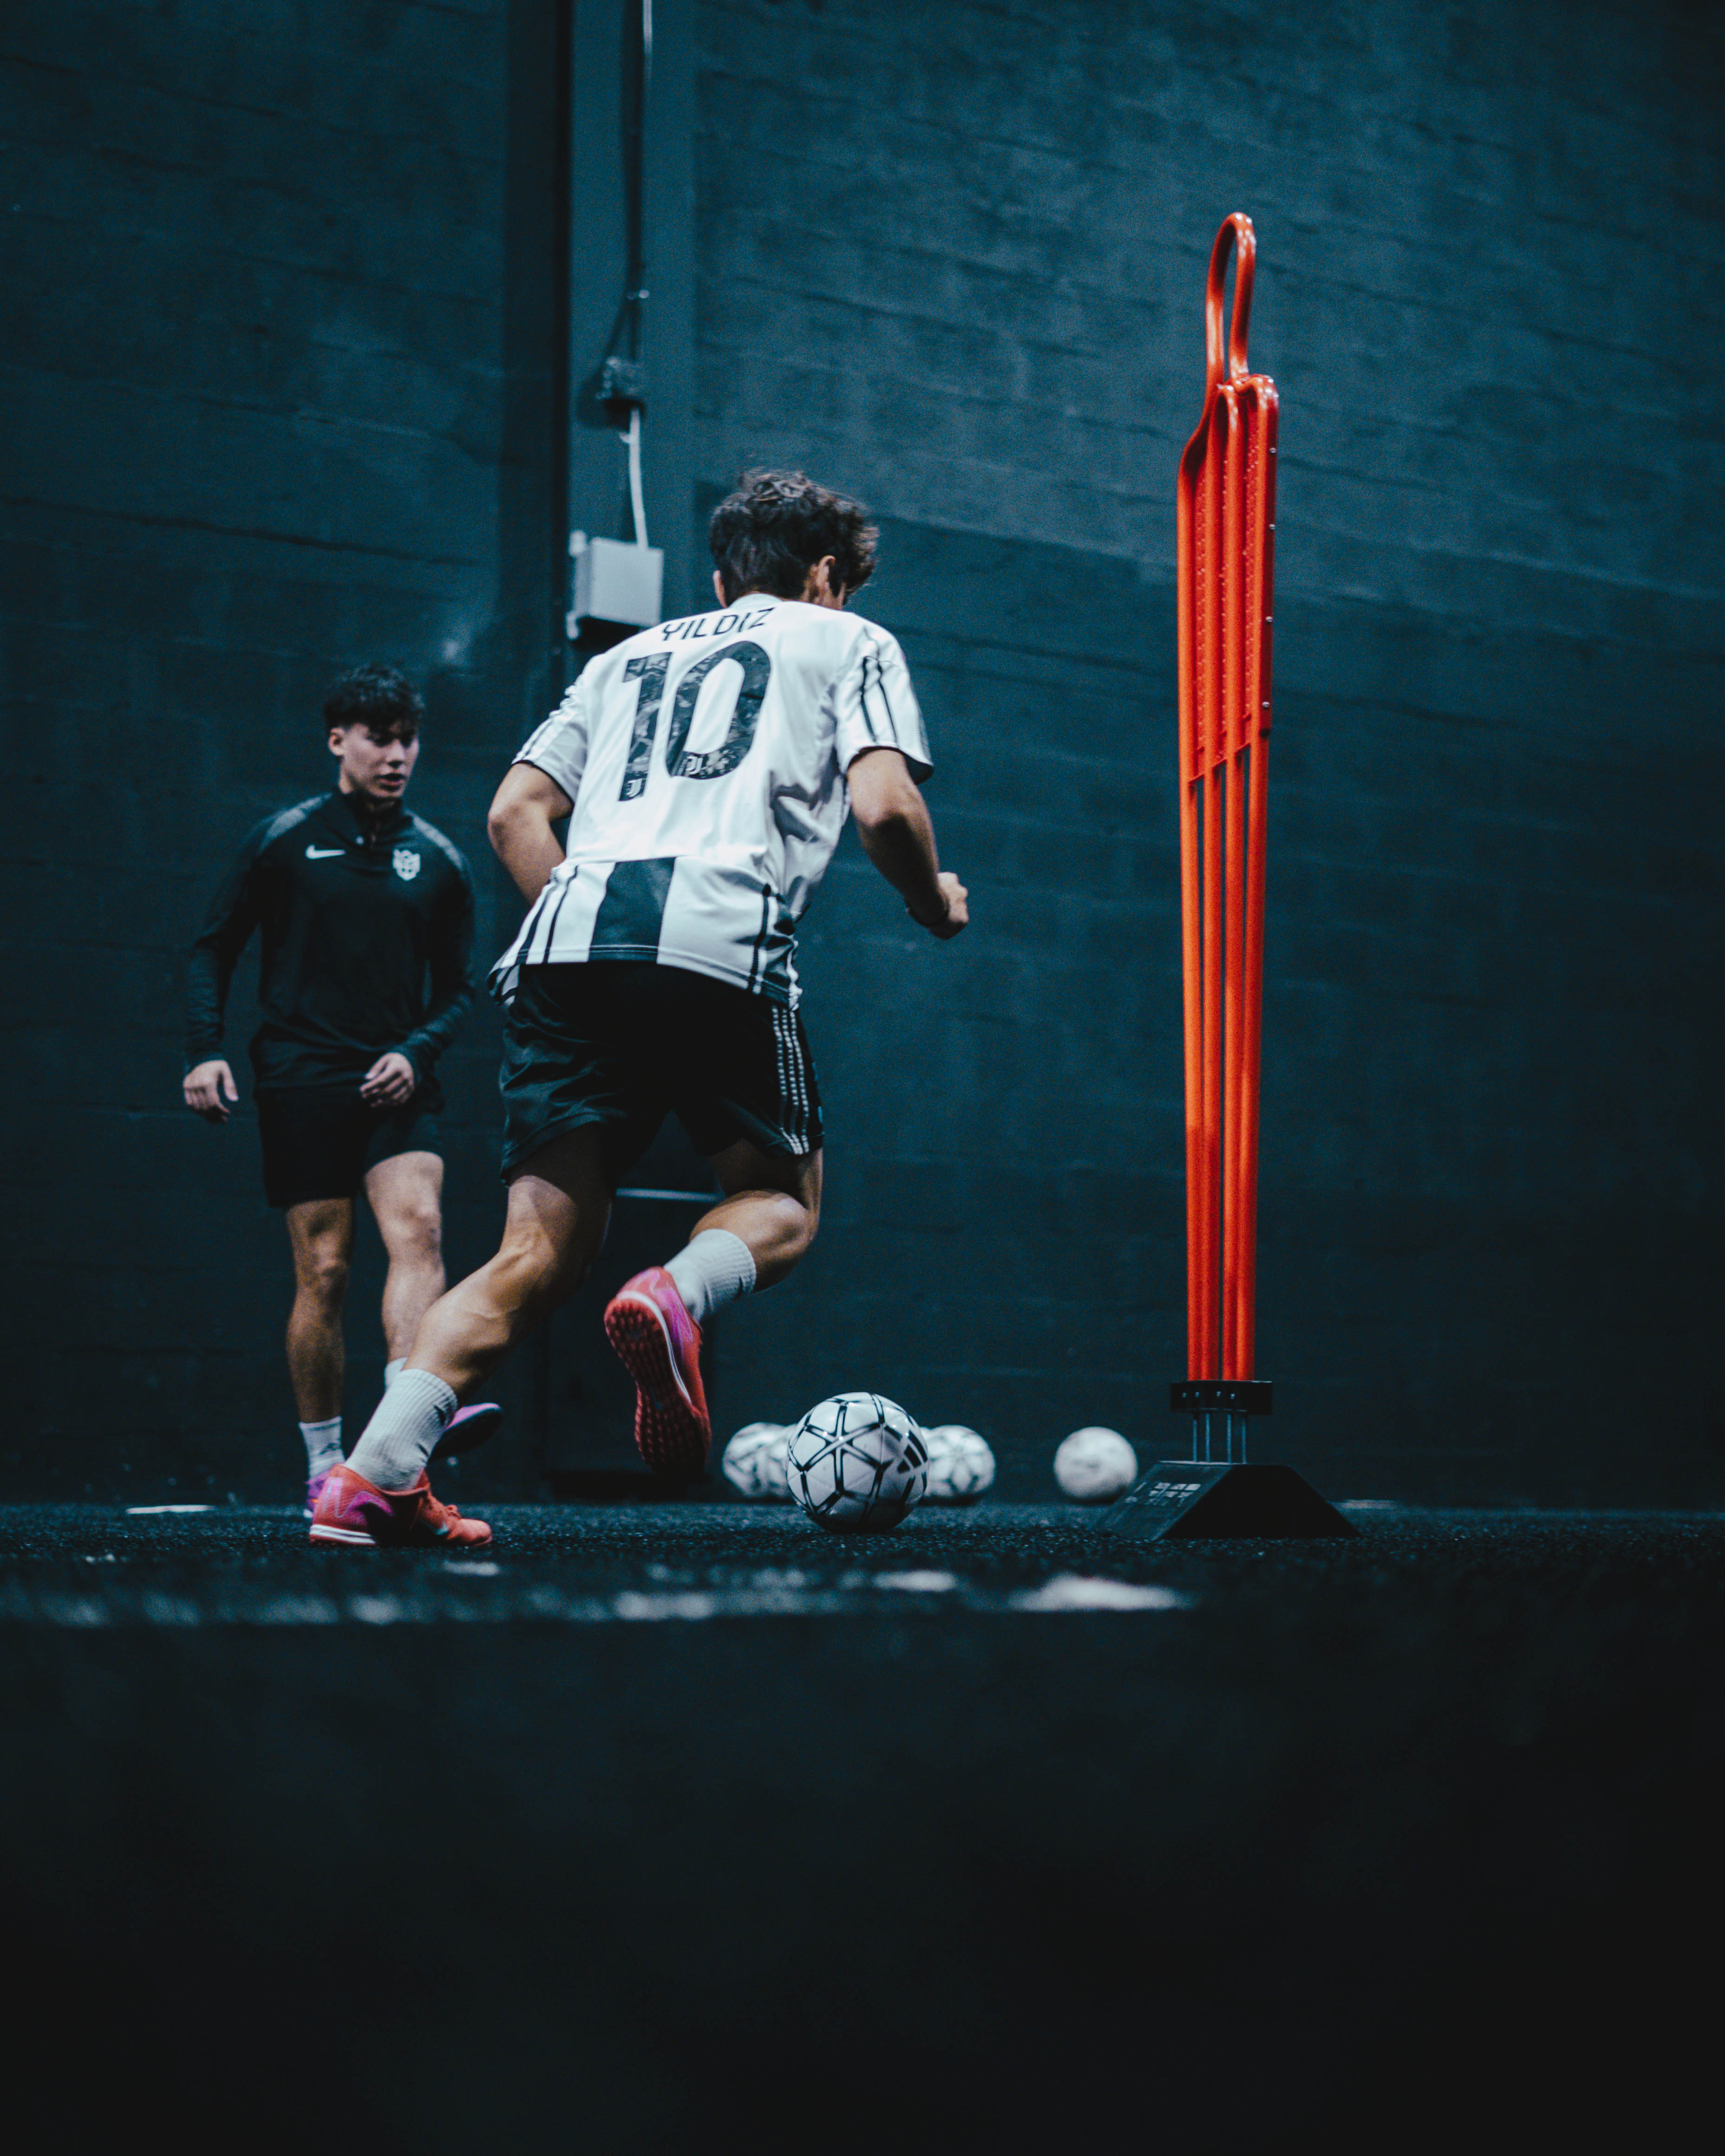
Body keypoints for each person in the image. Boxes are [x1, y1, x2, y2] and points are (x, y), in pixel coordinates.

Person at [311, 470, 968, 1550]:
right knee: (781, 1202)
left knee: (533, 1253)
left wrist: (596, 930)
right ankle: (675, 1295)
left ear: (718, 579)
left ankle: (369, 1477)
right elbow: (888, 805)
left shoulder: (623, 660)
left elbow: (515, 811)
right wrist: (933, 902)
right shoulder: (849, 641)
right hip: (719, 940)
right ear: (824, 576)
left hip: (564, 948)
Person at [183, 662, 500, 1512]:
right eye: (379, 739)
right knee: (324, 1270)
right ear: (339, 741)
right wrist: (203, 1049)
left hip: (397, 1082)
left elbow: (459, 987)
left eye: (408, 740)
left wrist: (417, 1050)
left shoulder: (437, 860)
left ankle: (402, 1435)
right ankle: (326, 1464)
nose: (398, 756)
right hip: (300, 1077)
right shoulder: (283, 840)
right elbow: (212, 945)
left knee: (421, 1230)